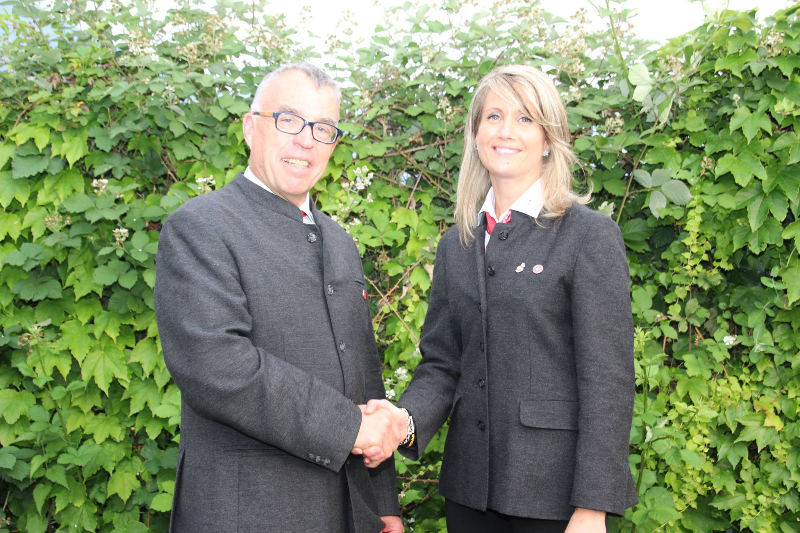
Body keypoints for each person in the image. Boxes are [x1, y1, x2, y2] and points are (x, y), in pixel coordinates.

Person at [362, 64, 638, 532]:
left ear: (550, 138)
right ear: (475, 133)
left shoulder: (587, 235)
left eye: (525, 118)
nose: (506, 131)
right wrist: (401, 421)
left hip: (554, 499)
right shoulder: (458, 243)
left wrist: (593, 505)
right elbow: (443, 365)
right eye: (493, 117)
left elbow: (607, 381)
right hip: (470, 492)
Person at [154, 62, 404, 533]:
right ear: (252, 127)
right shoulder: (200, 227)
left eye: (324, 128)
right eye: (289, 120)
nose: (306, 140)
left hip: (348, 511)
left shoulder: (340, 241)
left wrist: (383, 502)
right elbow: (217, 365)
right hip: (246, 511)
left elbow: (364, 373)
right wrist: (348, 427)